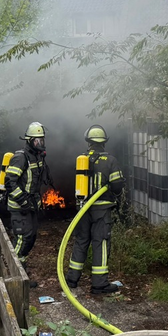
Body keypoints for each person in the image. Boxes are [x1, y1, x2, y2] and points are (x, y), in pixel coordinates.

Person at [66, 124, 125, 295]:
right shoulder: (110, 161)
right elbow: (116, 186)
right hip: (101, 210)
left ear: (89, 142)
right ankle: (99, 284)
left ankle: (72, 279)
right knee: (101, 243)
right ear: (104, 143)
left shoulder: (82, 159)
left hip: (82, 210)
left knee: (81, 241)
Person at [5, 121, 47, 288]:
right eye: (37, 141)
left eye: (42, 140)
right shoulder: (20, 157)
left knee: (30, 239)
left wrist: (36, 204)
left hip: (30, 207)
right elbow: (10, 182)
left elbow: (35, 185)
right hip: (19, 207)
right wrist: (22, 200)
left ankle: (21, 273)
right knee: (22, 239)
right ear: (29, 141)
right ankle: (14, 277)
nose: (40, 144)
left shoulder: (36, 157)